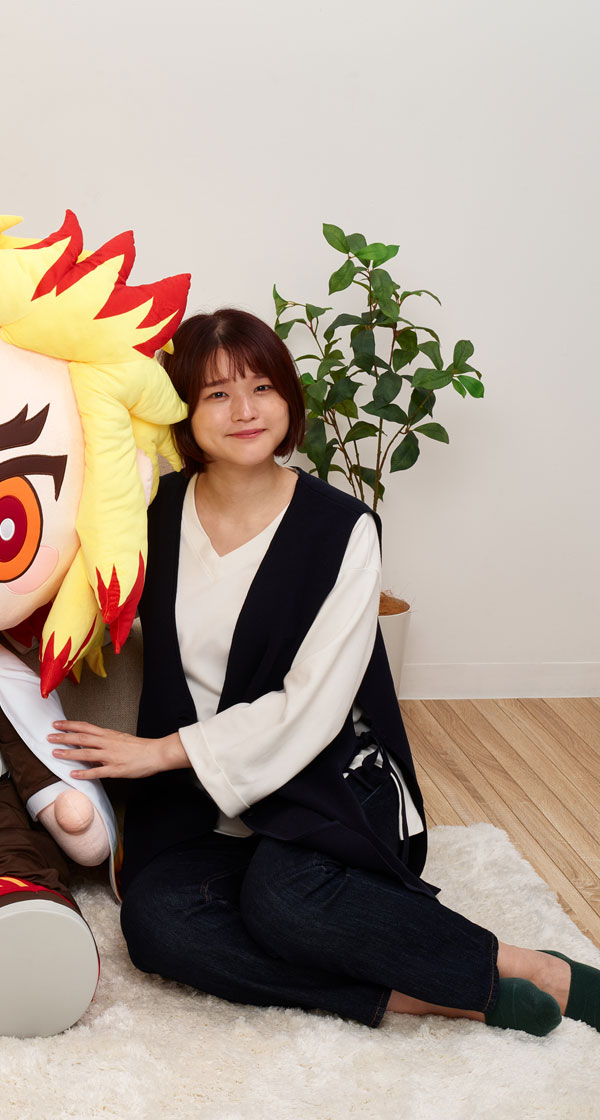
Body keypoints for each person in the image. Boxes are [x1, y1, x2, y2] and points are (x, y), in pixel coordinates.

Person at [47, 307, 599, 1036]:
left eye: (262, 388)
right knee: (157, 927)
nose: (244, 411)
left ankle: (530, 967)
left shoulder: (343, 529)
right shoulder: (152, 510)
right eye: (217, 394)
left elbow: (315, 704)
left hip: (322, 784)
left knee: (285, 903)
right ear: (184, 410)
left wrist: (160, 752)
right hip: (193, 806)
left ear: (288, 400)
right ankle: (425, 996)